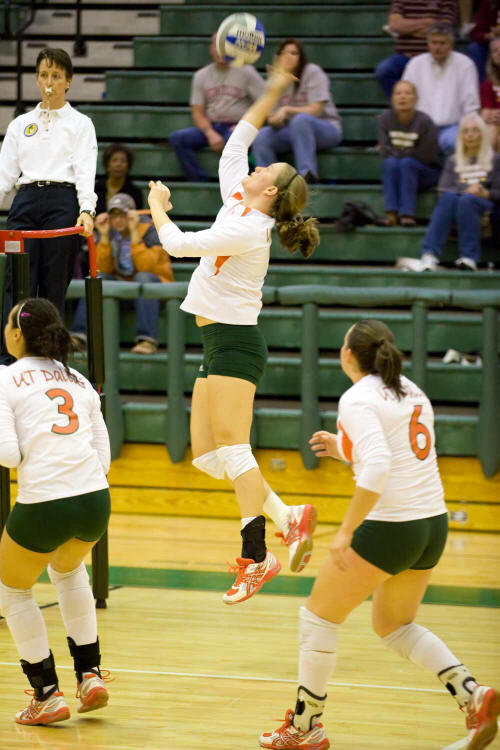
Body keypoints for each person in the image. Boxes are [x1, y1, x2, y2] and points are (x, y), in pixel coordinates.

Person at [258, 319, 500, 750]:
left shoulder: (357, 398)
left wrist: (346, 530)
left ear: (348, 354)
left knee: (318, 618)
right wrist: (344, 449)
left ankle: (305, 727)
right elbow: (397, 453)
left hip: (392, 527)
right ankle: (472, 695)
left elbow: (380, 467)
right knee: (393, 626)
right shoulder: (410, 389)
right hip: (432, 524)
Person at [148, 62, 320, 604]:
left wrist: (156, 207)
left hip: (237, 342)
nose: (255, 164)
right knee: (209, 455)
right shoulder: (239, 200)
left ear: (269, 191)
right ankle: (287, 517)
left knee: (234, 446)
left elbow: (178, 245)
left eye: (265, 168)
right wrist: (271, 91)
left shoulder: (251, 227)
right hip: (217, 341)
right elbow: (237, 142)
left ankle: (257, 554)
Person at [0, 297, 111, 725]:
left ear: (16, 334)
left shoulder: (6, 379)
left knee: (13, 591)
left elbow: (9, 456)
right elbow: (103, 459)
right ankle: (90, 674)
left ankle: (46, 694)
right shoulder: (78, 379)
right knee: (68, 571)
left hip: (45, 503)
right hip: (94, 501)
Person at [0, 47, 97, 365]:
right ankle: (10, 360)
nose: (49, 81)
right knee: (17, 282)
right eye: (44, 75)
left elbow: (85, 171)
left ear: (68, 81)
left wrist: (86, 209)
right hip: (25, 200)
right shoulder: (20, 124)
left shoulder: (80, 124)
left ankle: (48, 358)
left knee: (54, 283)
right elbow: (4, 176)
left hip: (62, 202)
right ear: (37, 79)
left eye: (56, 75)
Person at [71, 193, 173, 355]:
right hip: (124, 289)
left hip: (153, 290)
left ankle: (147, 340)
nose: (118, 220)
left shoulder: (150, 229)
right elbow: (101, 268)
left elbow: (147, 268)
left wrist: (134, 233)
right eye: (114, 215)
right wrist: (104, 236)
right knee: (96, 279)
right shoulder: (109, 231)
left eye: (122, 215)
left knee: (142, 277)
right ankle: (78, 336)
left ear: (132, 214)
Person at [168, 34, 265, 182]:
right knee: (178, 138)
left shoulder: (247, 72)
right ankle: (199, 183)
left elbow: (265, 103)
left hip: (237, 127)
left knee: (233, 141)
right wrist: (210, 133)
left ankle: (237, 184)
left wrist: (245, 124)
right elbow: (197, 112)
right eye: (217, 45)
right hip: (213, 126)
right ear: (211, 48)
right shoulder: (201, 75)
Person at [252, 38, 342, 183]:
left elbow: (317, 110)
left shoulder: (312, 72)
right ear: (278, 58)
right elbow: (271, 117)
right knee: (262, 136)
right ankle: (268, 183)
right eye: (284, 53)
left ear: (301, 58)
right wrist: (275, 120)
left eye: (294, 53)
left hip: (326, 128)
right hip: (292, 131)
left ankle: (306, 176)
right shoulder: (274, 80)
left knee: (301, 120)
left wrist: (287, 110)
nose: (288, 57)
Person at [418, 112, 500, 271]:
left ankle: (469, 257)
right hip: (457, 203)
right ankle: (429, 255)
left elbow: (498, 192)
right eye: (465, 131)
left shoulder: (496, 159)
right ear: (461, 136)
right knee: (450, 197)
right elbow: (443, 189)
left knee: (466, 200)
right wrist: (467, 190)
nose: (470, 135)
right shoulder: (453, 160)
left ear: (482, 134)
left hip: (485, 205)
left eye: (475, 130)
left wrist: (485, 193)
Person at [402, 24, 480, 154]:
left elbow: (471, 104)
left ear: (451, 44)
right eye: (434, 43)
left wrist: (469, 129)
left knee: (452, 142)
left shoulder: (465, 65)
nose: (437, 47)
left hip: (454, 126)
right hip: (422, 126)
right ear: (428, 44)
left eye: (442, 43)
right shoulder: (415, 64)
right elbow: (405, 98)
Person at [378, 79, 441, 226]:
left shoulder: (425, 121)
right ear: (392, 98)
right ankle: (391, 214)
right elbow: (385, 151)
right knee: (389, 163)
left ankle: (407, 214)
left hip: (426, 173)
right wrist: (406, 152)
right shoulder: (385, 119)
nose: (403, 97)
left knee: (406, 163)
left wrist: (398, 153)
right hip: (399, 171)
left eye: (407, 93)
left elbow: (425, 156)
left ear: (415, 99)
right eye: (398, 93)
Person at [374, 0, 458, 97]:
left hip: (433, 57)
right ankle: (402, 105)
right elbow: (395, 25)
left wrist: (407, 28)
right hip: (405, 56)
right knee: (384, 71)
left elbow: (444, 29)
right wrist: (427, 23)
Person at [94, 143, 144, 216]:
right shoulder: (95, 189)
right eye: (114, 160)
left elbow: (138, 217)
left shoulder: (135, 192)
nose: (118, 164)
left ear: (128, 166)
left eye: (123, 161)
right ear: (107, 165)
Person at [467, 0, 500, 81]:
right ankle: (486, 83)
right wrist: (488, 36)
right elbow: (475, 33)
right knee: (474, 48)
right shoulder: (488, 3)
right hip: (491, 43)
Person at [480, 36, 500, 150]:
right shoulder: (487, 84)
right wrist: (491, 115)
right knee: (492, 129)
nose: (499, 53)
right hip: (495, 126)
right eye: (495, 51)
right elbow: (485, 114)